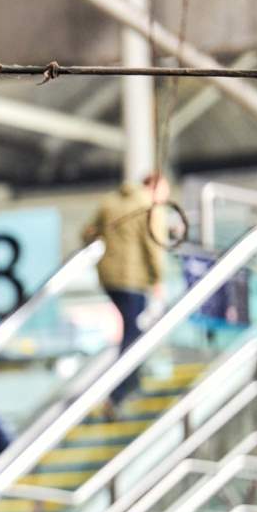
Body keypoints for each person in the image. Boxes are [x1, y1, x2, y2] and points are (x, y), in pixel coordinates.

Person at [82, 173, 170, 413]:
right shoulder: (150, 207)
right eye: (164, 191)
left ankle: (132, 383)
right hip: (134, 279)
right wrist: (157, 279)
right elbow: (154, 245)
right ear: (154, 187)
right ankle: (119, 393)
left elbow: (87, 232)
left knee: (132, 331)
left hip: (109, 278)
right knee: (133, 334)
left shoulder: (109, 201)